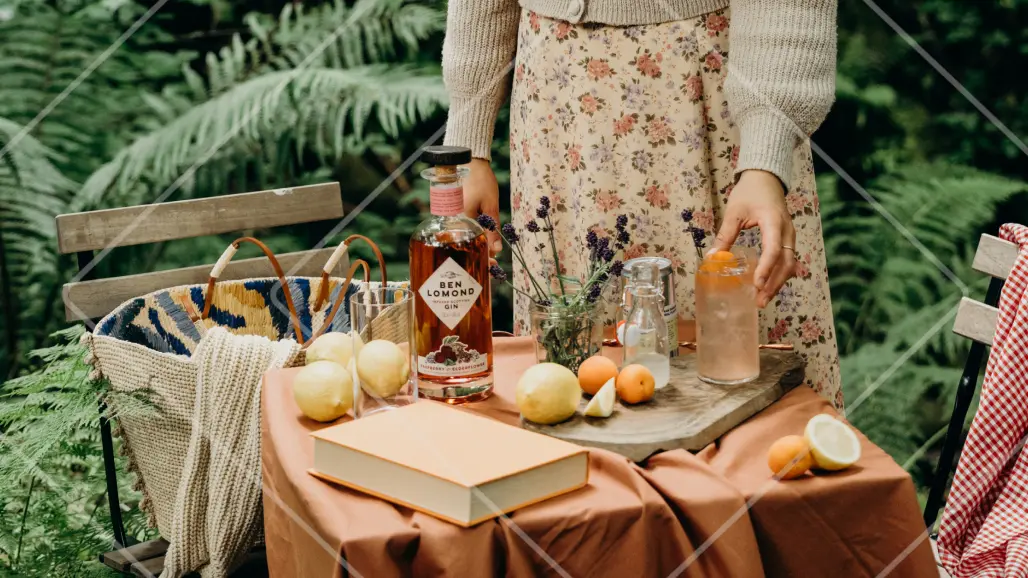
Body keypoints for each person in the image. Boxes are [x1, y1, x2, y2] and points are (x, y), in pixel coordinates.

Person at [442, 0, 842, 407]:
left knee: (747, 373)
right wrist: (468, 142)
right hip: (556, 111)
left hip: (711, 95)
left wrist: (765, 160)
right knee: (568, 389)